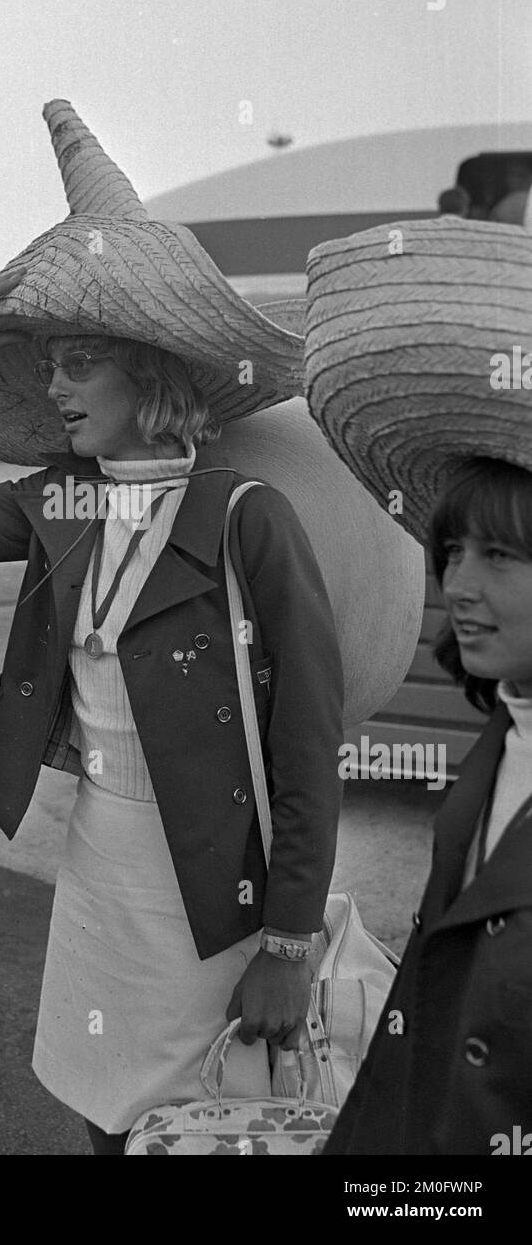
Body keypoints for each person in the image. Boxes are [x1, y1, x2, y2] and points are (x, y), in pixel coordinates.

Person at [0, 101, 344, 1154]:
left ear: (149, 369)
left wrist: (290, 940)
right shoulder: (54, 503)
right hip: (96, 874)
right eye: (52, 361)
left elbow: (306, 743)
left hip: (217, 892)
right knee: (98, 1116)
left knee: (201, 1123)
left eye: (80, 360)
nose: (54, 382)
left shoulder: (244, 520)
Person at [304, 216, 532, 1155]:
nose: (458, 587)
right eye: (453, 551)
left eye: (501, 557)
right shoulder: (502, 740)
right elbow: (420, 1023)